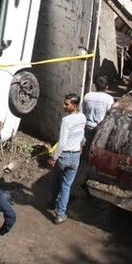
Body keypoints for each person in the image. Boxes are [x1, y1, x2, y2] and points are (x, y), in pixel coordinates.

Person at [48, 93, 86, 225]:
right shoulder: (82, 117)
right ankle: (60, 214)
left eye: (66, 104)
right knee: (66, 185)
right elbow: (82, 136)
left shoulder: (66, 120)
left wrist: (54, 157)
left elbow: (62, 142)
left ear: (74, 106)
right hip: (75, 156)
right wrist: (81, 147)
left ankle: (54, 206)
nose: (64, 106)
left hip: (64, 155)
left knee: (56, 180)